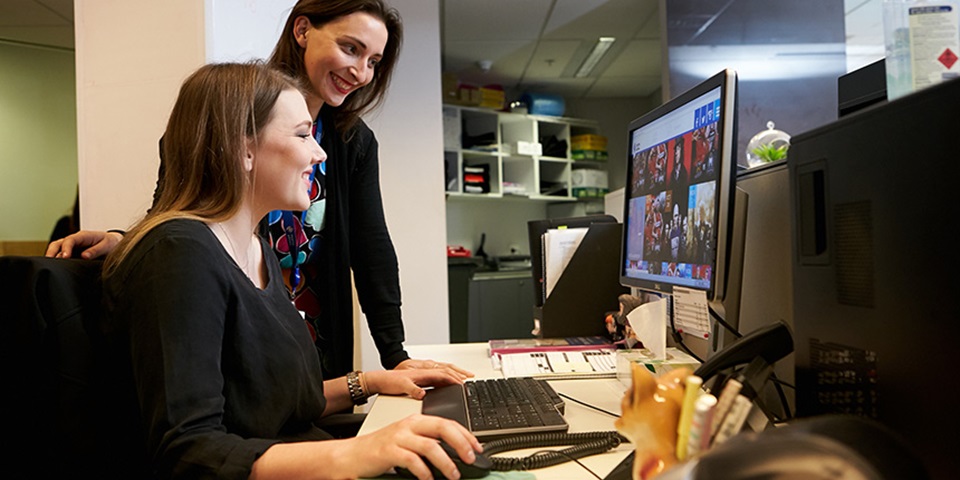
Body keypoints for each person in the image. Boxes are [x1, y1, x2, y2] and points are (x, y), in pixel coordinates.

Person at [46, 0, 468, 381]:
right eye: (351, 48)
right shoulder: (223, 116)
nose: (361, 72)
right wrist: (124, 242)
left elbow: (371, 249)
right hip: (242, 337)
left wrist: (395, 355)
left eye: (374, 60)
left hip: (313, 338)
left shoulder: (350, 141)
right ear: (302, 31)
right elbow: (181, 210)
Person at [102, 60, 482, 480]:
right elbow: (190, 450)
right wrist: (353, 455)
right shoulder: (180, 256)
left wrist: (371, 382)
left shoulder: (258, 250)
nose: (318, 152)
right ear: (242, 148)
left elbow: (276, 404)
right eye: (302, 135)